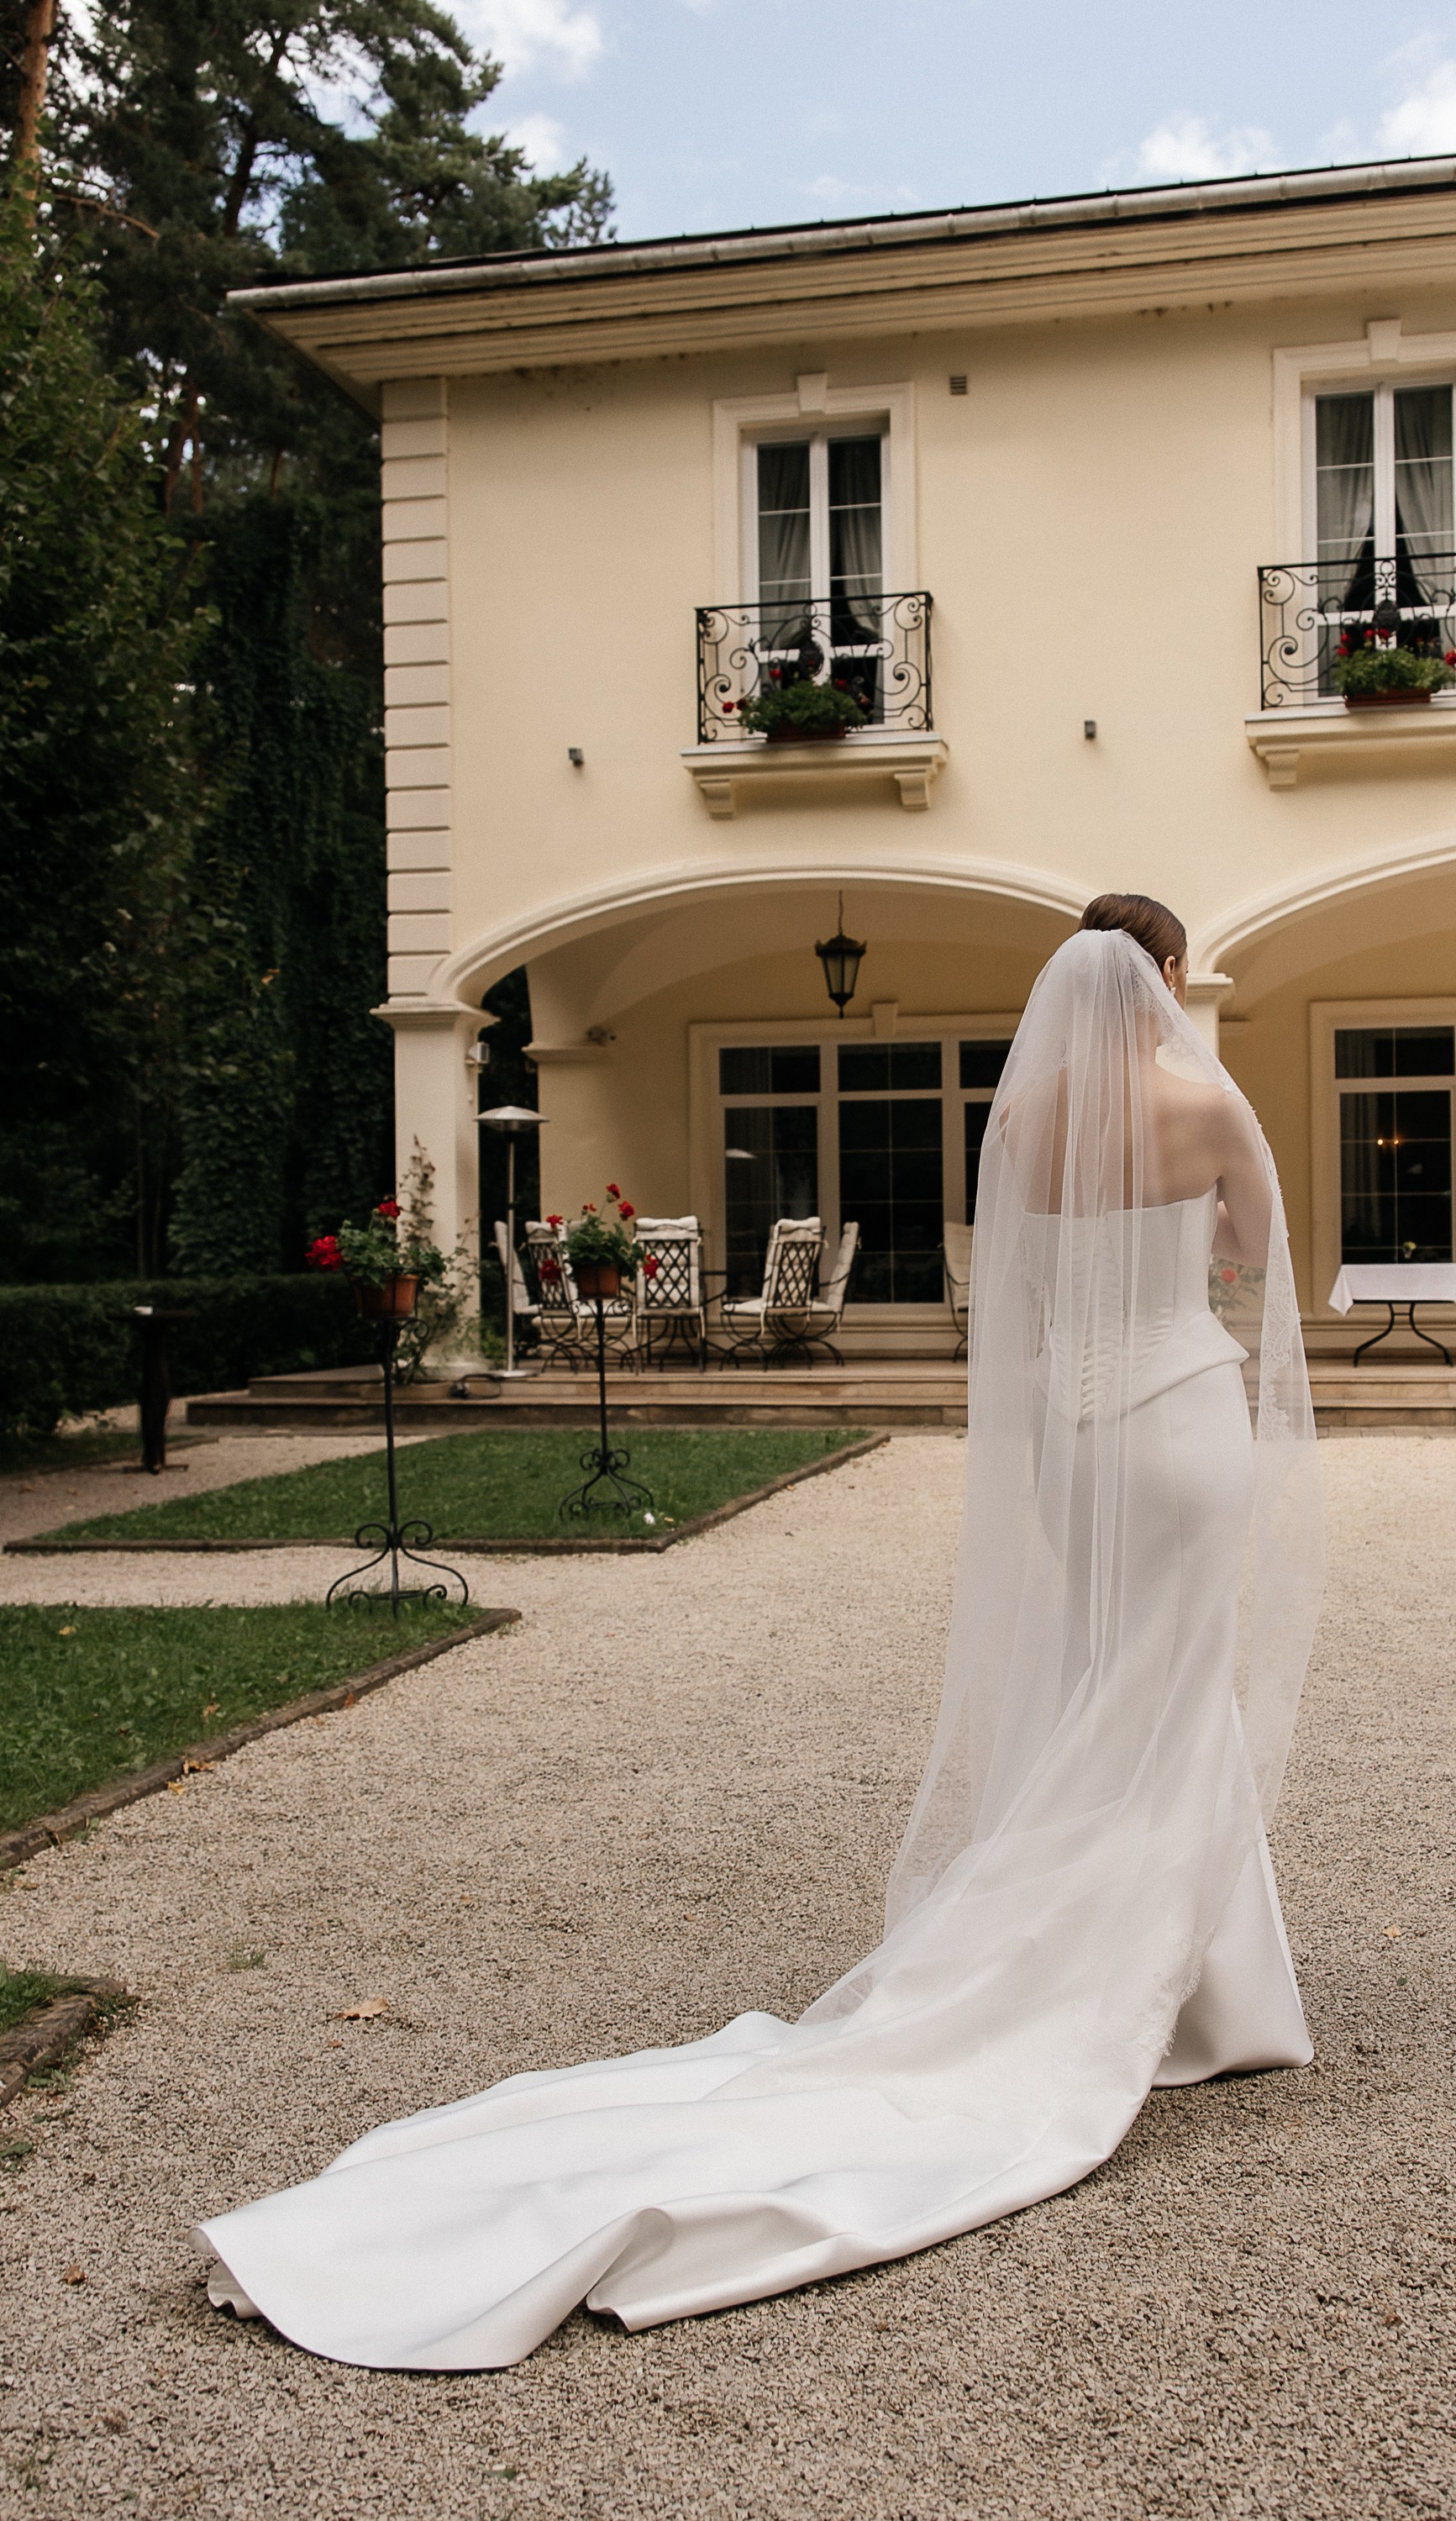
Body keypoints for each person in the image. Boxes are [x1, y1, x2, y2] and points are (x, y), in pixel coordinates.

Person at [197, 893, 1324, 2370]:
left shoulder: (1026, 1111)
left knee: (1117, 1679)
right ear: (1166, 979)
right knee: (1175, 1683)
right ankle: (1178, 1992)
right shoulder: (1207, 1101)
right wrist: (1195, 1265)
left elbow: (1016, 1279)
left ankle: (1198, 1976)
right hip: (1177, 1412)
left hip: (1071, 1431)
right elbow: (1262, 1255)